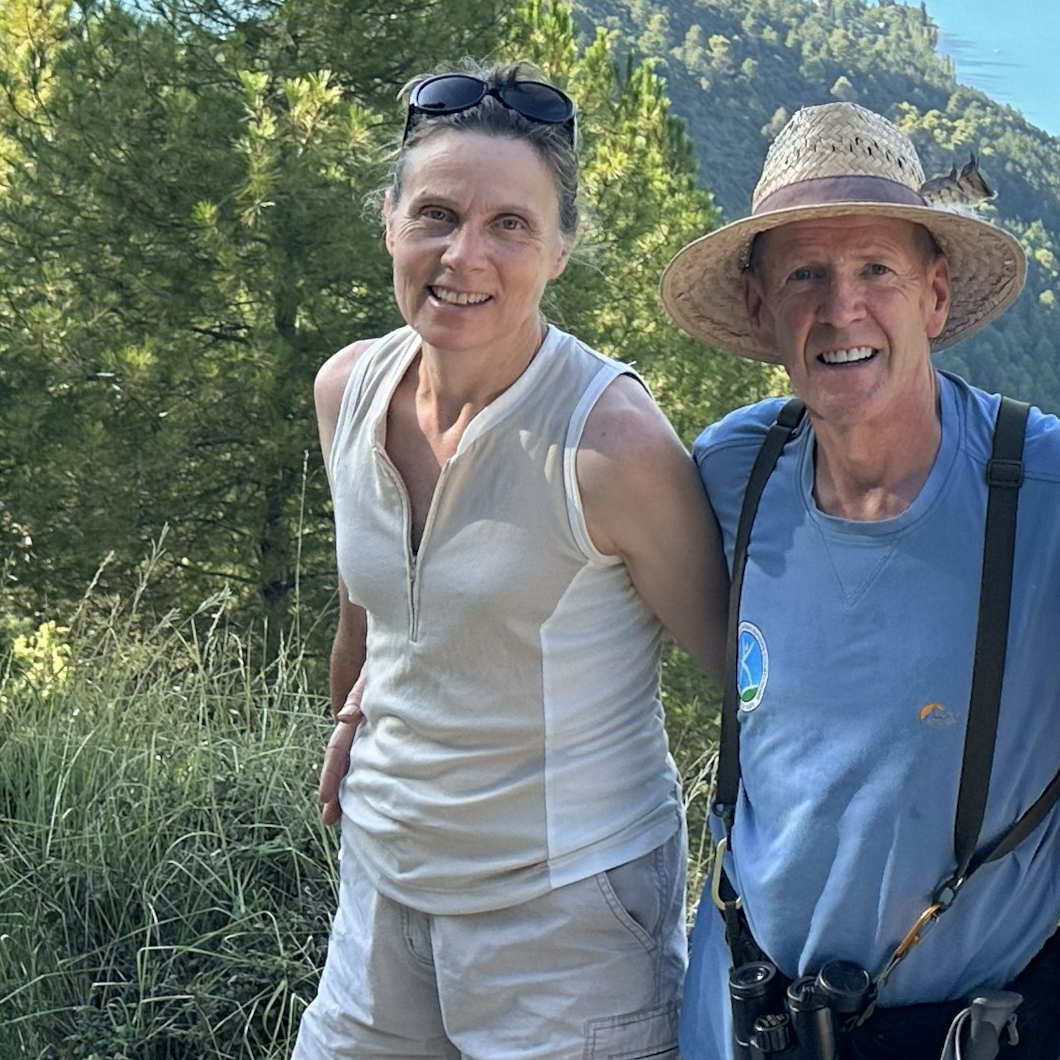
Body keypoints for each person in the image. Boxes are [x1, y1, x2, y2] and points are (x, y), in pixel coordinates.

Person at [292, 62, 729, 1059]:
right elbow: (375, 606)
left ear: (561, 248)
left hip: (565, 920)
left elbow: (741, 676)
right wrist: (358, 706)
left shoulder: (609, 443)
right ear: (390, 221)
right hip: (384, 888)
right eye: (436, 213)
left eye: (509, 225)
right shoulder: (346, 391)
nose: (464, 254)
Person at [660, 102, 1060, 1060]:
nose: (842, 309)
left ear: (932, 296)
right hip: (736, 1023)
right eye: (805, 274)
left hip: (970, 1033)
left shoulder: (1043, 490)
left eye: (876, 269)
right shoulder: (730, 474)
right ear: (760, 308)